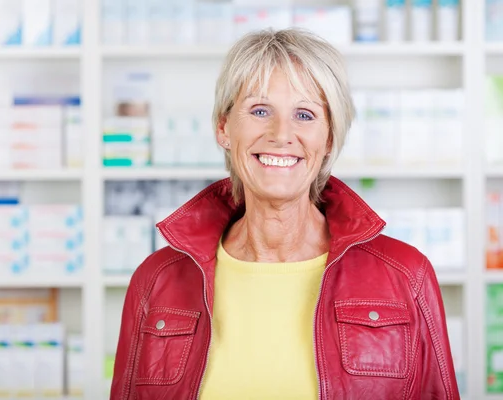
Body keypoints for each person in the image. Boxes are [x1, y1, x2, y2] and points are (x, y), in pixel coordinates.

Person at [111, 28, 460, 400]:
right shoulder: (156, 280)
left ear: (328, 139)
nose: (281, 134)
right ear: (224, 128)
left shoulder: (405, 275)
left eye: (305, 115)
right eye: (260, 111)